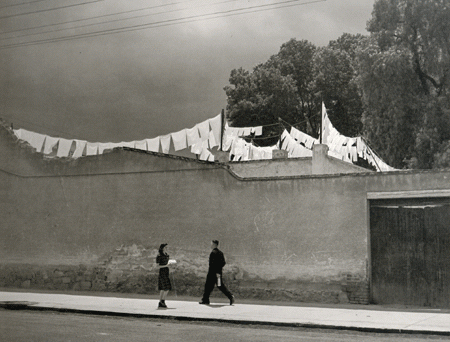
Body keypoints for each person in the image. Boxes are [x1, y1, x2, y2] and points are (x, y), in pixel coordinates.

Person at [199, 240, 235, 305]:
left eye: (212, 244)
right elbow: (223, 263)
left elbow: (211, 264)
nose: (211, 245)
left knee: (208, 286)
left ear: (215, 244)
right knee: (220, 285)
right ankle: (230, 296)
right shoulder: (221, 253)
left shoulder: (213, 253)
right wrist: (218, 269)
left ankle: (205, 300)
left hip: (212, 273)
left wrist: (213, 270)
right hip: (218, 273)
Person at [141, 243, 174, 308]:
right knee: (166, 288)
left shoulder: (167, 255)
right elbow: (157, 266)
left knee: (163, 288)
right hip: (162, 272)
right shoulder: (159, 256)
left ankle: (161, 302)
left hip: (166, 272)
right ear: (163, 248)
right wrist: (166, 265)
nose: (167, 248)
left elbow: (166, 263)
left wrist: (170, 264)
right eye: (166, 247)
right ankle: (162, 301)